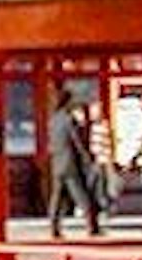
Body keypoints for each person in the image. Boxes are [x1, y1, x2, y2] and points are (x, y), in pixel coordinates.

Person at [46, 91, 107, 236]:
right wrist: (86, 157)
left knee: (57, 197)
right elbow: (76, 141)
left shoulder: (53, 120)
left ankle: (54, 227)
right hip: (70, 163)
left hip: (57, 163)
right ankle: (92, 225)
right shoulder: (69, 120)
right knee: (81, 195)